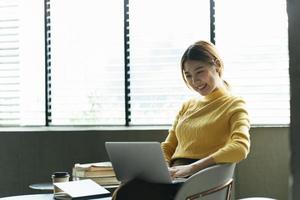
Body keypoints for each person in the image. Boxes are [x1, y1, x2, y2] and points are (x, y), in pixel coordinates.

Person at [112, 40, 251, 200]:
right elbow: (168, 146)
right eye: (188, 75)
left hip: (201, 178)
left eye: (200, 71)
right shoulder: (187, 106)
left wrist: (191, 168)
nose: (195, 81)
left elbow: (240, 147)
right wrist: (162, 170)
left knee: (128, 193)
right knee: (128, 187)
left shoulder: (234, 104)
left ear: (217, 66)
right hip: (175, 175)